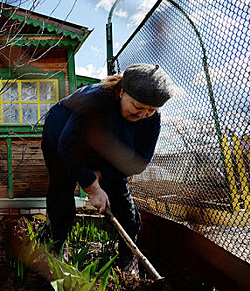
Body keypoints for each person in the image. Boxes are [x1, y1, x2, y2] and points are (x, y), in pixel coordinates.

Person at [41, 63, 173, 272]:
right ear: (122, 92)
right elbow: (68, 146)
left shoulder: (151, 119)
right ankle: (57, 246)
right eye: (138, 107)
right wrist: (92, 187)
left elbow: (140, 160)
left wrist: (102, 174)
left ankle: (128, 260)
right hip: (62, 140)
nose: (143, 115)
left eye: (151, 110)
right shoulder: (94, 101)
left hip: (107, 152)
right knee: (62, 189)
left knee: (124, 207)